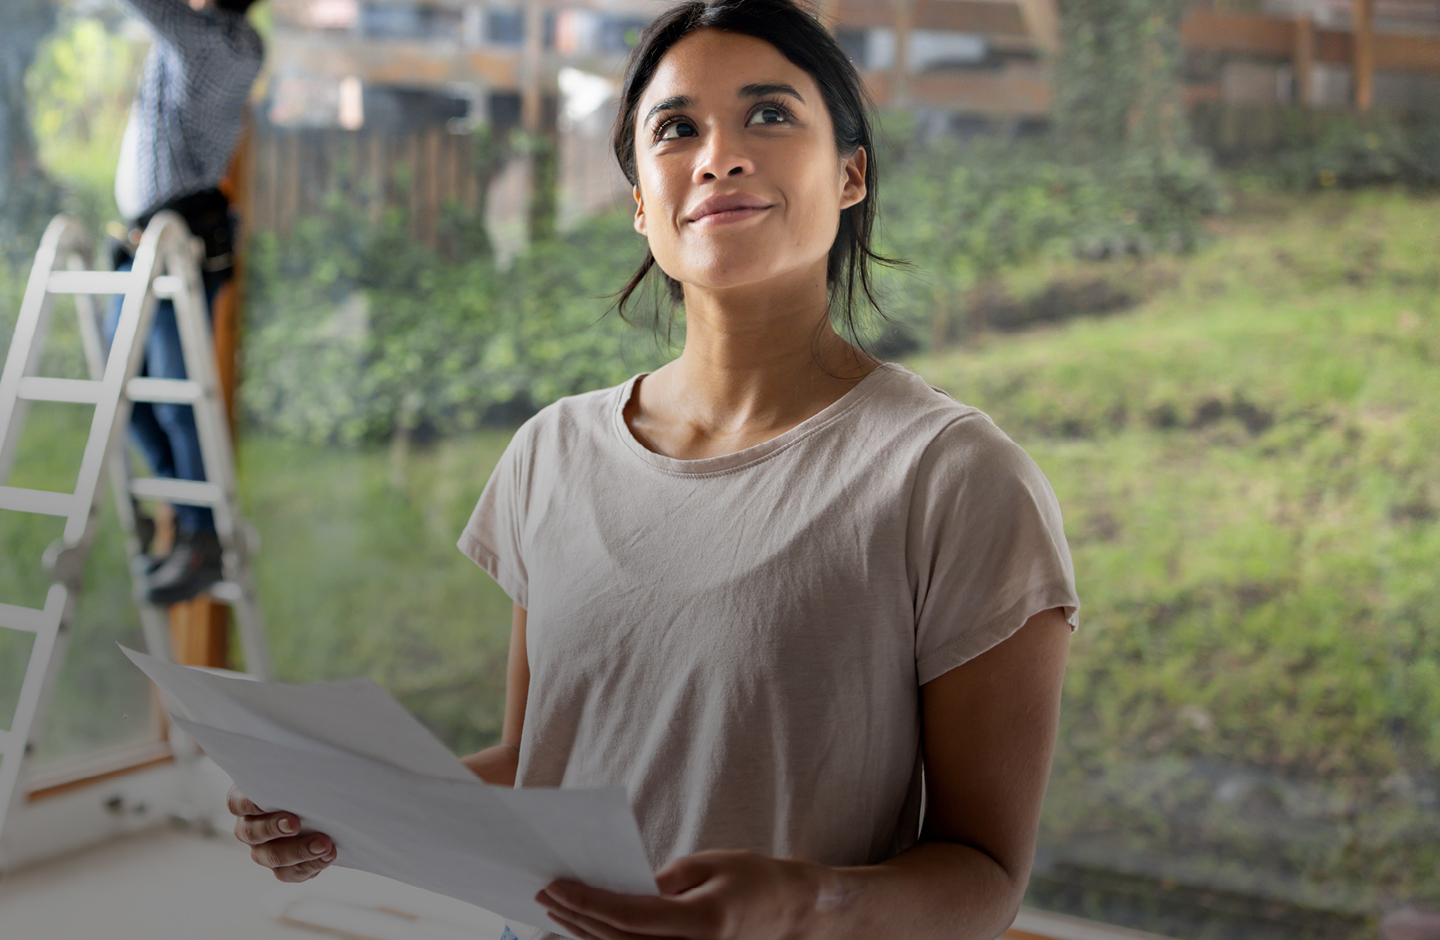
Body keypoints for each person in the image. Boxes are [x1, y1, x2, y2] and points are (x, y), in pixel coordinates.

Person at [228, 2, 1080, 938]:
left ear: (850, 173)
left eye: (769, 115)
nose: (719, 155)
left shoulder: (954, 477)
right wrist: (345, 809)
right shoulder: (549, 453)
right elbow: (540, 761)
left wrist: (803, 904)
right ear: (640, 202)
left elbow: (987, 876)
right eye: (676, 129)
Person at [103, 0, 263, 605]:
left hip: (176, 241)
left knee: (172, 400)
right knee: (127, 398)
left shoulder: (212, 40)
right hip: (147, 241)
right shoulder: (226, 39)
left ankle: (197, 536)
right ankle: (180, 516)